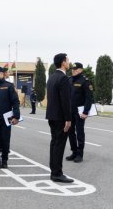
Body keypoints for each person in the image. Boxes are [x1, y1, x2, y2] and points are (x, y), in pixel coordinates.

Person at [46, 53, 74, 183]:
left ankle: (54, 171)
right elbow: (65, 101)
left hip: (52, 116)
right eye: (67, 60)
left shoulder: (51, 77)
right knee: (59, 145)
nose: (69, 62)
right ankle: (57, 173)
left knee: (54, 144)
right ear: (63, 63)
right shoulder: (63, 79)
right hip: (61, 118)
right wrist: (68, 120)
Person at [66, 62, 93, 163]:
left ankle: (80, 154)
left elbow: (89, 98)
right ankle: (74, 152)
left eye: (76, 69)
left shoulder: (85, 81)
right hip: (70, 111)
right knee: (70, 132)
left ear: (81, 70)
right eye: (73, 69)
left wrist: (86, 112)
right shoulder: (69, 80)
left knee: (80, 133)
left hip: (80, 112)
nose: (73, 71)